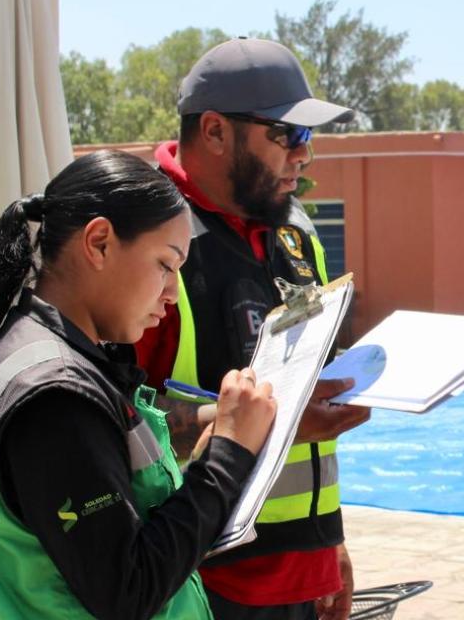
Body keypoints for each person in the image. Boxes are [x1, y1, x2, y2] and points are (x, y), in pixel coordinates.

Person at [0, 150, 276, 619]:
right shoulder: (54, 396)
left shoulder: (31, 351)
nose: (172, 294)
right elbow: (127, 590)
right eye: (165, 264)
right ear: (98, 243)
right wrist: (227, 459)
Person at [134, 38, 370, 619]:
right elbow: (120, 419)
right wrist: (280, 429)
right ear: (214, 131)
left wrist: (329, 546)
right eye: (287, 134)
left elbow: (311, 393)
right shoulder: (148, 237)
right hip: (199, 577)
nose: (304, 155)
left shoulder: (295, 232)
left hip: (299, 571)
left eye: (308, 136)